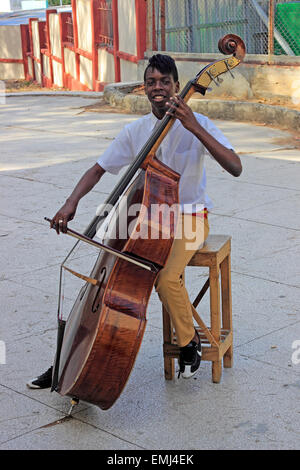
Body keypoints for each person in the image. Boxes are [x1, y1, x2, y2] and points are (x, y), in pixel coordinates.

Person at [27, 54, 242, 389]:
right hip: (146, 217)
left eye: (164, 82)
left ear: (176, 86)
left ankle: (189, 343)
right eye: (151, 82)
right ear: (145, 88)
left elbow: (235, 166)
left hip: (189, 217)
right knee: (104, 278)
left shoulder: (196, 122)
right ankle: (65, 359)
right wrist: (71, 203)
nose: (158, 88)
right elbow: (98, 169)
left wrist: (193, 126)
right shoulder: (136, 130)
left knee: (167, 278)